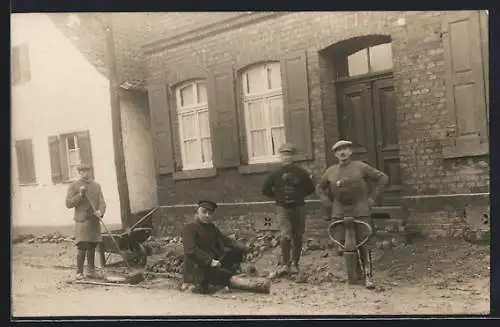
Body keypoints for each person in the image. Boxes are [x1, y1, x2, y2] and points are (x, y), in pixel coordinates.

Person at [316, 140, 388, 289]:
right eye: (338, 150)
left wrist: (373, 198)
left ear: (351, 151)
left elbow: (383, 178)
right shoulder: (331, 171)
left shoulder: (360, 166)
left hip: (360, 207)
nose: (342, 152)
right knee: (341, 241)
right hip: (339, 209)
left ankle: (368, 275)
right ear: (335, 154)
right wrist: (327, 202)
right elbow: (320, 188)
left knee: (364, 242)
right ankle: (355, 272)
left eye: (345, 149)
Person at [261, 143, 315, 276]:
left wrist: (298, 196)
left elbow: (310, 189)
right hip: (282, 208)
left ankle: (295, 264)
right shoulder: (275, 174)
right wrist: (278, 198)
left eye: (289, 155)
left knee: (298, 235)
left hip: (299, 208)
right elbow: (265, 190)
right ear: (280, 157)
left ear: (293, 157)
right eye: (284, 155)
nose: (286, 158)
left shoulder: (301, 173)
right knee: (285, 235)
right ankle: (285, 264)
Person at [182, 200, 250, 294]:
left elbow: (225, 241)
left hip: (210, 263)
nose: (207, 215)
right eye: (204, 212)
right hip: (196, 266)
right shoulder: (189, 228)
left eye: (210, 213)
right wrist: (210, 261)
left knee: (235, 254)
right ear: (197, 211)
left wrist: (244, 248)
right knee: (224, 277)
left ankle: (227, 279)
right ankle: (197, 285)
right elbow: (191, 250)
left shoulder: (211, 227)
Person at [65, 163, 106, 280]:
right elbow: (68, 203)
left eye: (87, 171)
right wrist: (80, 194)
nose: (85, 173)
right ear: (79, 172)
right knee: (82, 246)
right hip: (82, 221)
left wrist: (100, 211)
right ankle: (79, 272)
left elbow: (102, 202)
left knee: (92, 246)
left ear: (91, 172)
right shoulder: (74, 186)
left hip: (94, 221)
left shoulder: (96, 186)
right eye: (83, 171)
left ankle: (91, 271)